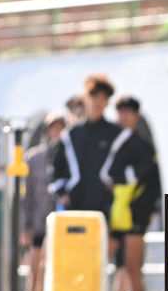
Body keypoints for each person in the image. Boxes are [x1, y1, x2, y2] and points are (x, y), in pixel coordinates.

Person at [101, 95, 161, 291]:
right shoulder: (111, 141)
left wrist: (143, 210)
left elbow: (151, 182)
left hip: (135, 215)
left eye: (128, 113)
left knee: (132, 266)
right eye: (120, 112)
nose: (123, 117)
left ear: (136, 116)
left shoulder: (142, 147)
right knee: (105, 260)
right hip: (115, 214)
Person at [50, 74, 121, 218]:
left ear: (107, 103)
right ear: (85, 98)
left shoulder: (115, 134)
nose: (98, 102)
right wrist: (62, 193)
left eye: (103, 98)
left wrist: (118, 182)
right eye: (95, 97)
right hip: (73, 210)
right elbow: (55, 169)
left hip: (105, 211)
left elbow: (138, 162)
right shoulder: (71, 134)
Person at [22, 111, 66, 291]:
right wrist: (26, 226)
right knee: (36, 267)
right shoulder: (34, 158)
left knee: (54, 268)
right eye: (54, 128)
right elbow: (26, 195)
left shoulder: (67, 155)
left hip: (60, 221)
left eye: (61, 128)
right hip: (38, 222)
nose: (57, 132)